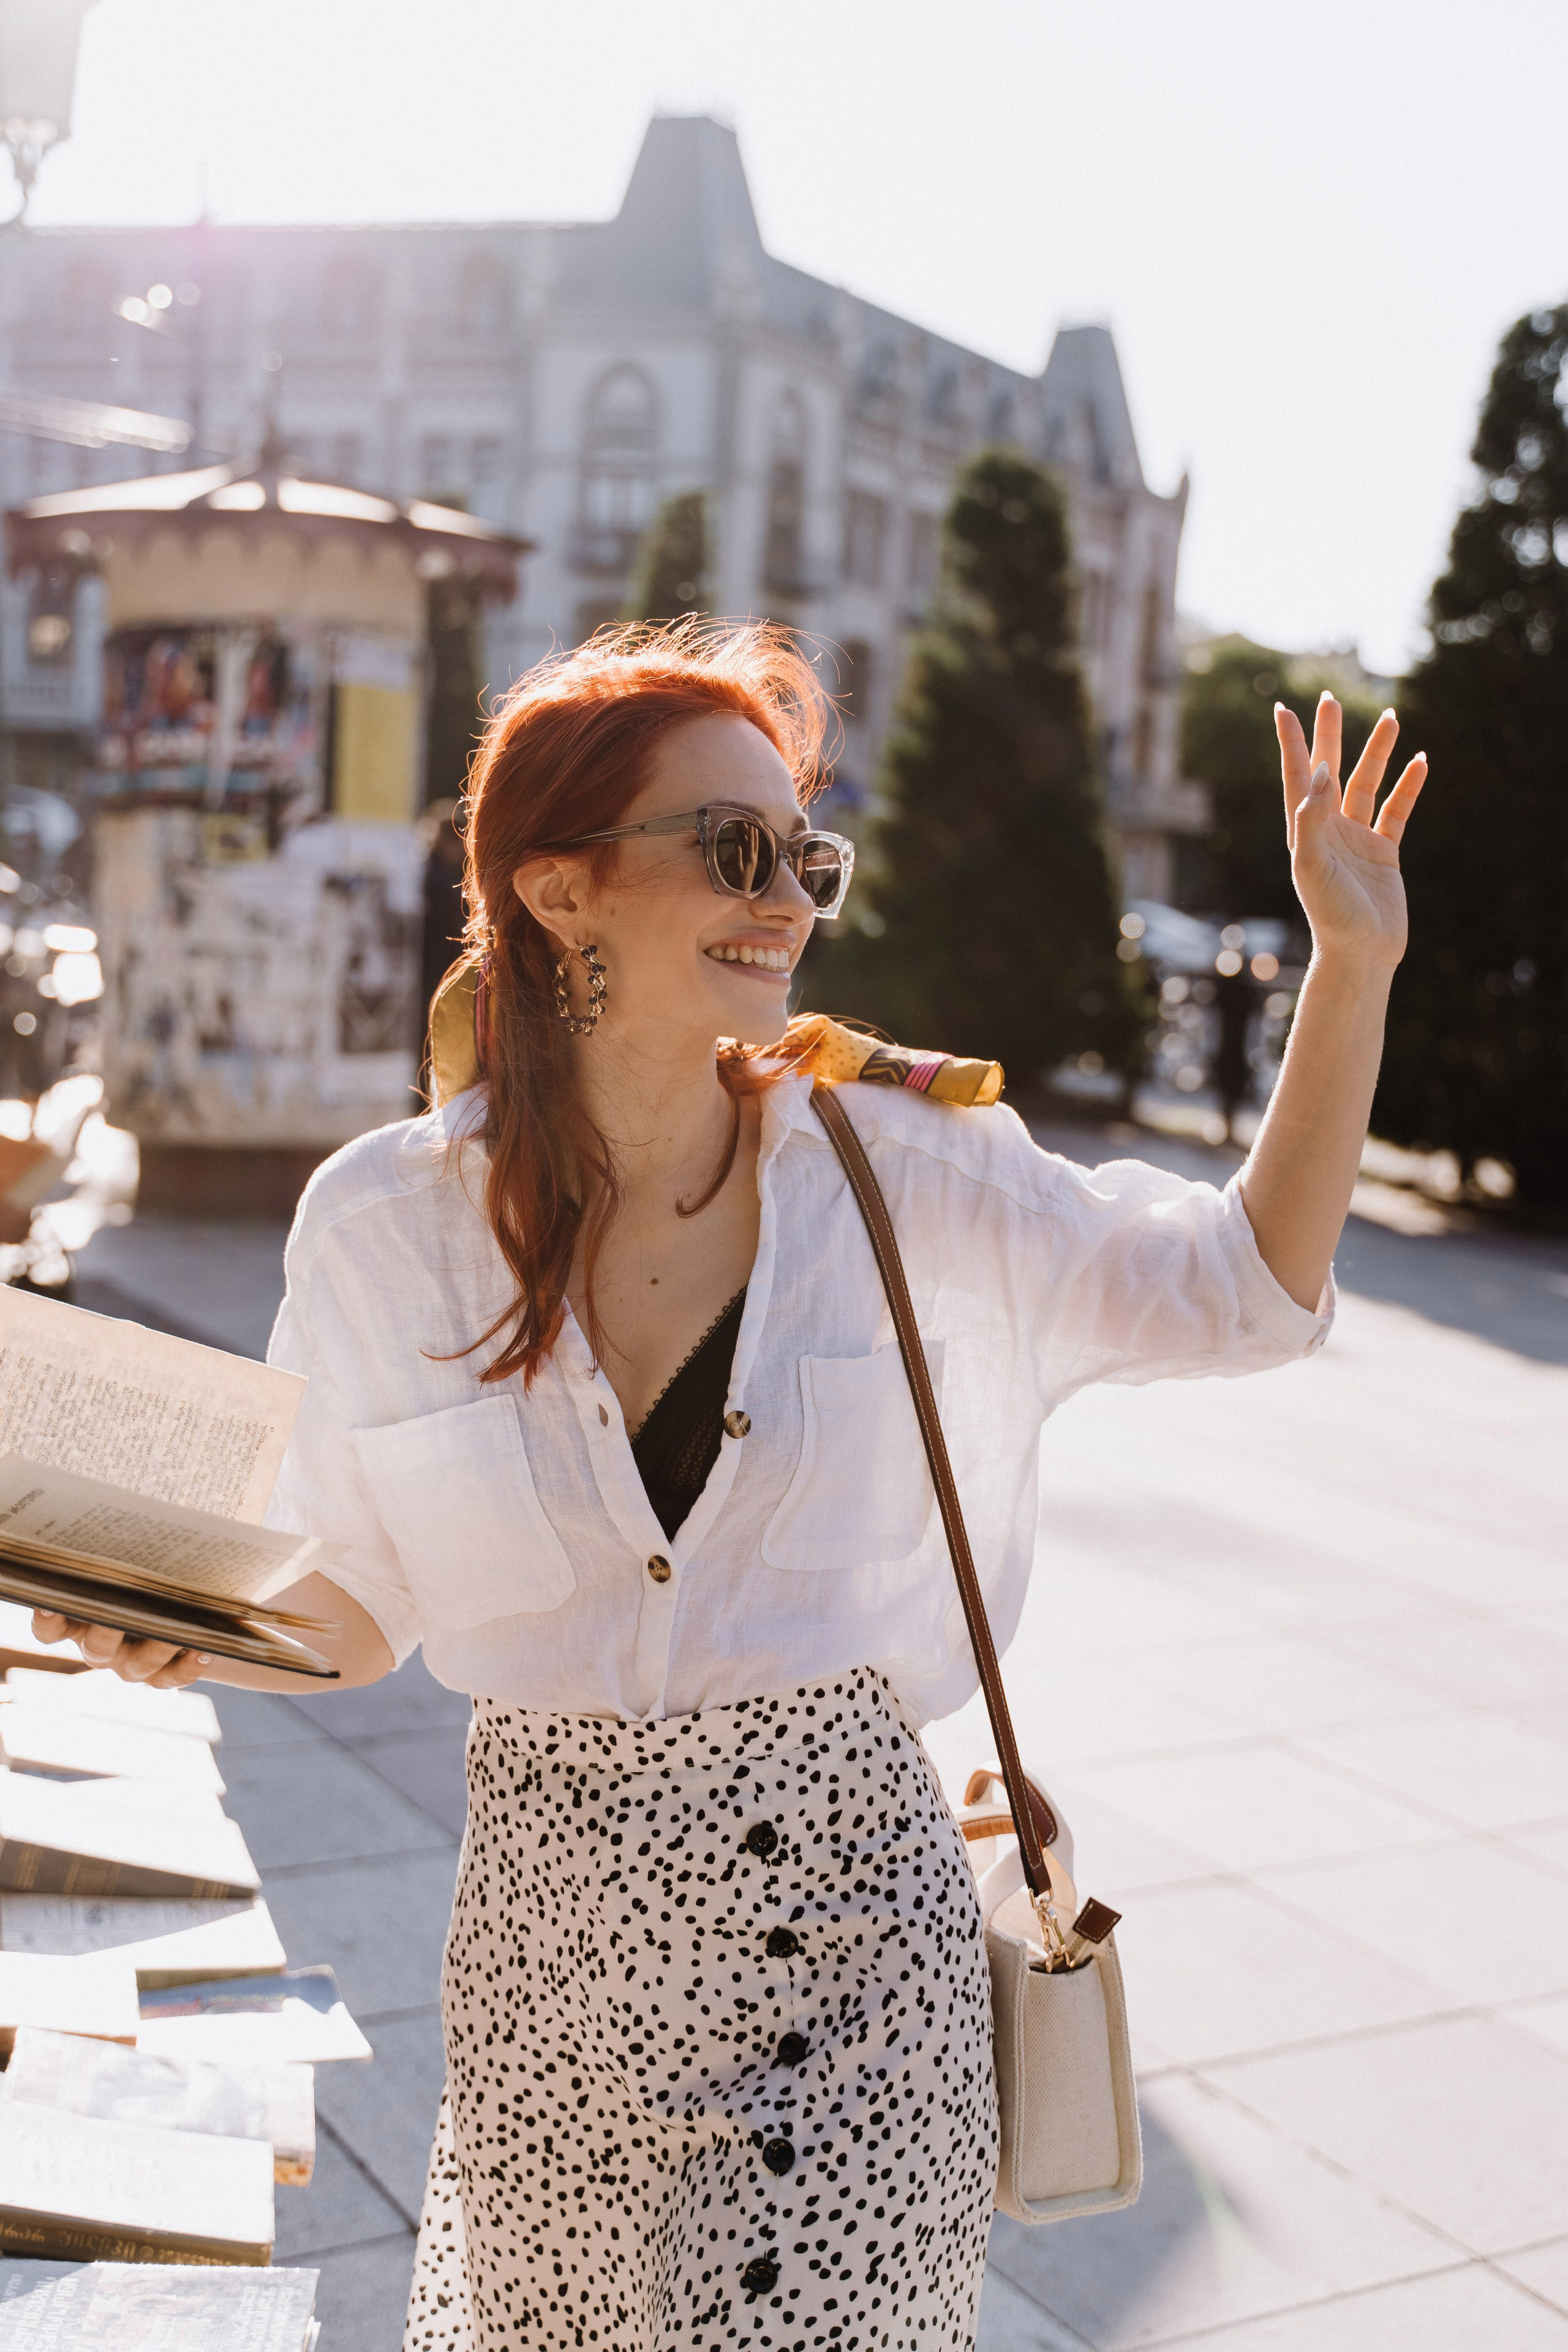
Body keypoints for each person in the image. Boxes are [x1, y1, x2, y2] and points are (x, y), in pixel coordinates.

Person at [33, 630, 1426, 2352]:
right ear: (558, 892)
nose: (789, 901)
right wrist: (180, 1628)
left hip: (856, 1967)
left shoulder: (913, 1165)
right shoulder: (384, 1227)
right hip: (550, 1983)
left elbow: (1244, 1289)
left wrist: (1352, 965)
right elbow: (359, 1601)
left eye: (806, 857)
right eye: (733, 849)